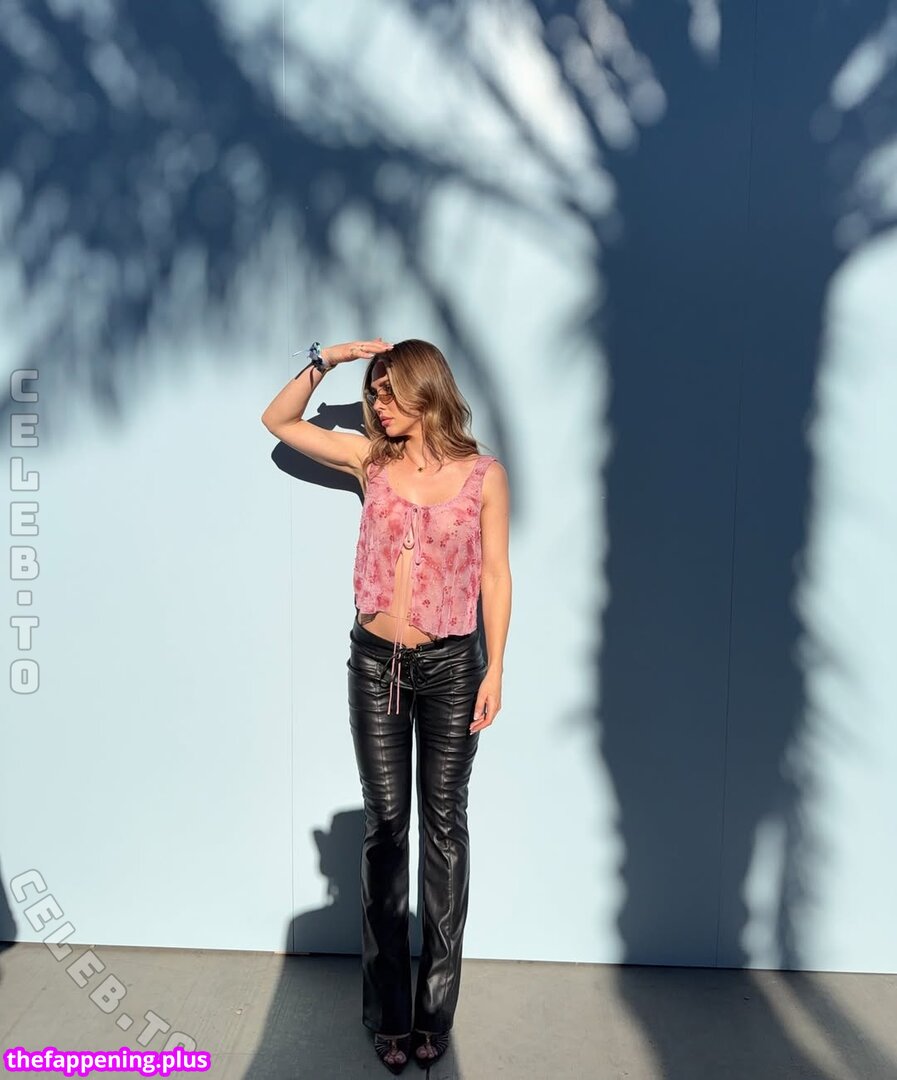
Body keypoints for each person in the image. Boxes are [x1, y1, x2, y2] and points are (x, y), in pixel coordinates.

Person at [261, 337, 512, 1074]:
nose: (377, 405)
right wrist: (331, 358)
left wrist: (496, 668)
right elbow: (278, 422)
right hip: (375, 666)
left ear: (426, 390)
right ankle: (389, 1012)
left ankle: (435, 1011)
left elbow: (496, 575)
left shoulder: (484, 475)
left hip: (453, 669)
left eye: (387, 391)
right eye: (373, 393)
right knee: (386, 827)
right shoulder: (369, 460)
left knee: (444, 829)